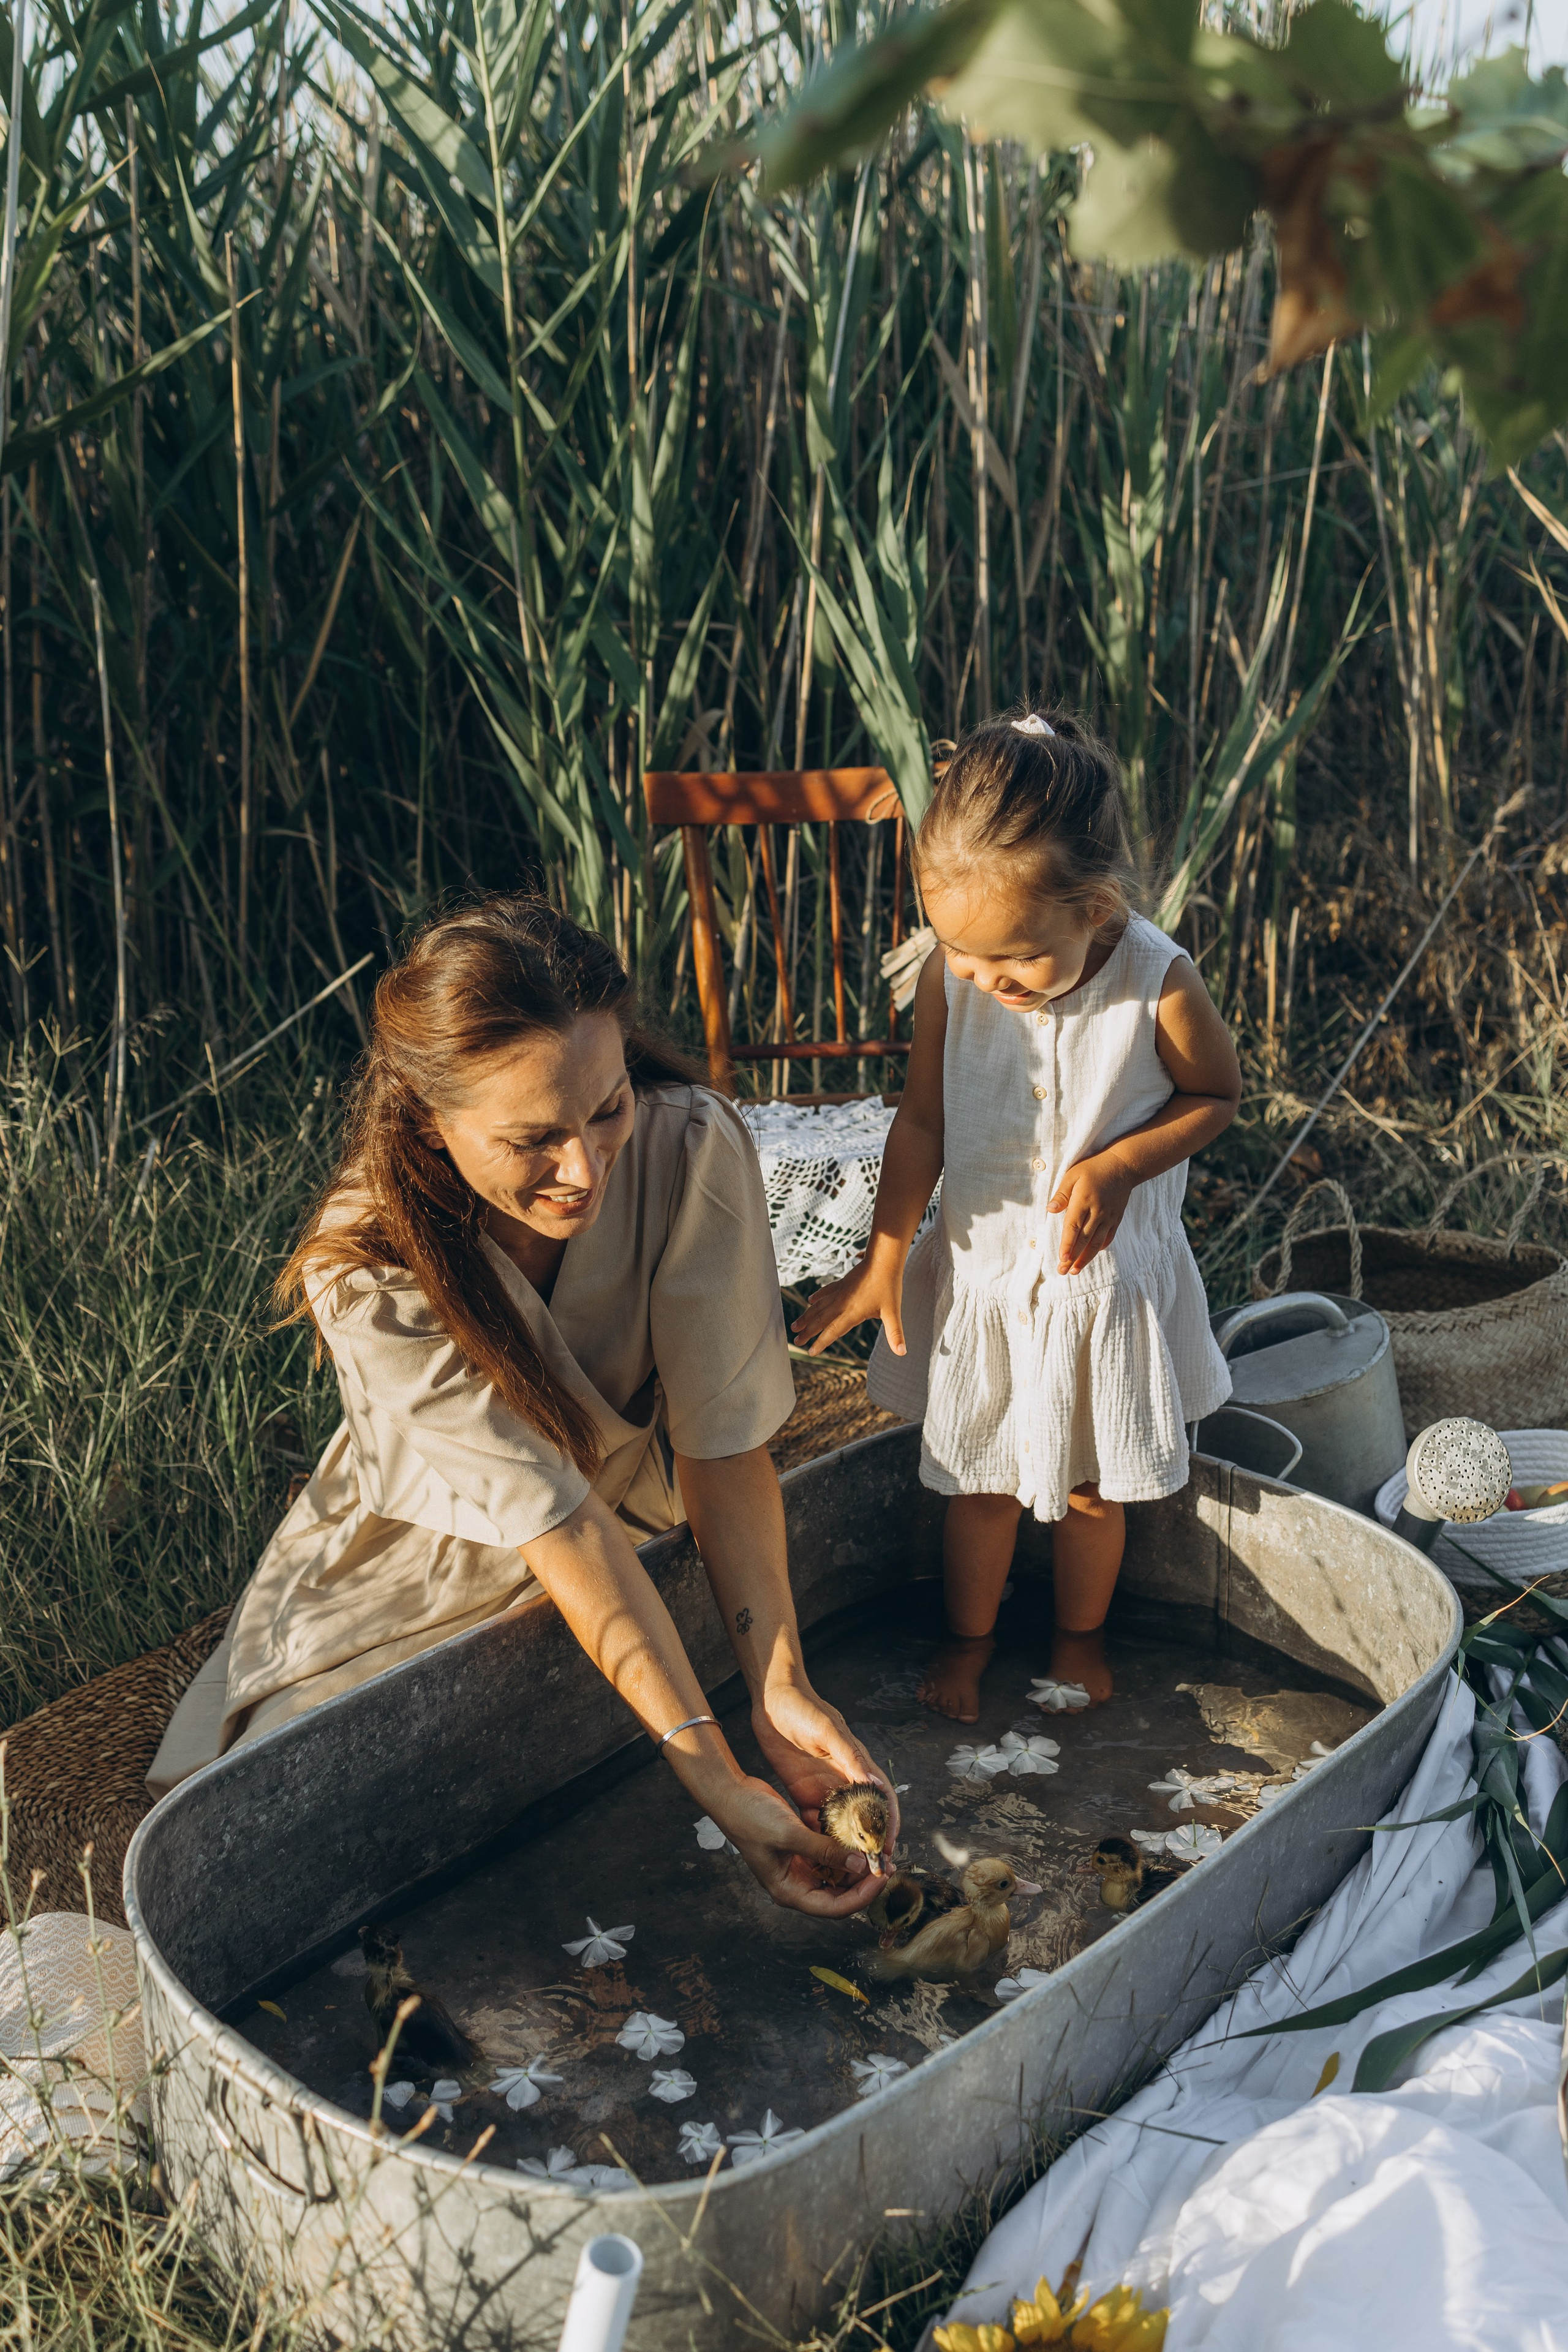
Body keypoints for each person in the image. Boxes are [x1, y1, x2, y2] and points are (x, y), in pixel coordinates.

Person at [149, 895, 897, 1916]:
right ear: (429, 1120)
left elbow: (721, 1444)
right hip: (424, 1557)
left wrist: (778, 1687)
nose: (585, 1167)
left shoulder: (688, 1147)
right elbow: (558, 1527)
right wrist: (716, 1778)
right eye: (532, 1139)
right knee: (276, 1840)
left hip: (635, 1512)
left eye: (606, 1107)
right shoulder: (367, 1266)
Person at [794, 710, 1240, 1722]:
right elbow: (921, 1121)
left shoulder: (1155, 982)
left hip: (1100, 1283)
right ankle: (971, 1640)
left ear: (1093, 909)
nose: (985, 980)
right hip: (990, 1274)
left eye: (1013, 962)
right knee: (977, 1478)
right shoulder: (957, 982)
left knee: (1091, 1489)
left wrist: (1123, 1166)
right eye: (960, 952)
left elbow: (1216, 1096)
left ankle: (1080, 1637)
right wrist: (885, 1255)